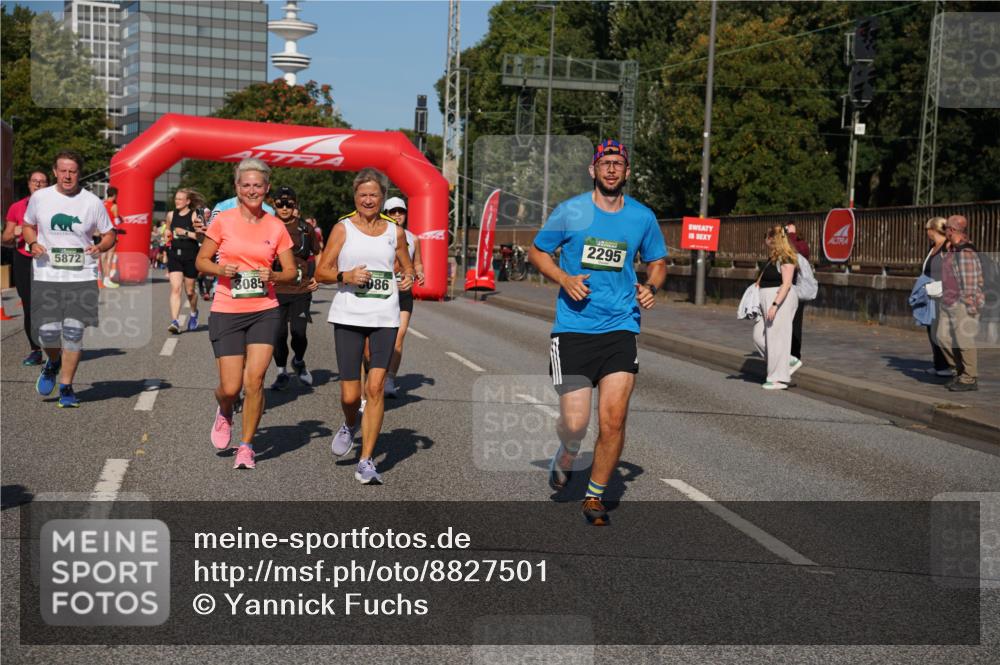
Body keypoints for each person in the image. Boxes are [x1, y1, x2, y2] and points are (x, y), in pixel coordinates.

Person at [527, 139, 667, 526]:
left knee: (614, 420)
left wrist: (651, 286)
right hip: (573, 329)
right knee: (576, 425)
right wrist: (564, 278)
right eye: (605, 163)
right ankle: (567, 452)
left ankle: (594, 495)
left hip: (620, 327)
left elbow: (657, 261)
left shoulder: (642, 217)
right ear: (593, 170)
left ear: (627, 171)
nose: (611, 169)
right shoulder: (570, 211)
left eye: (618, 163)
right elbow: (537, 251)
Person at [195, 158, 297, 469]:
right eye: (246, 185)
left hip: (264, 310)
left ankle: (246, 445)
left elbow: (291, 271)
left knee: (254, 381)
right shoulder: (223, 221)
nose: (252, 190)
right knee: (230, 388)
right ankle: (225, 409)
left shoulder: (276, 226)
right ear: (237, 187)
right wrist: (220, 269)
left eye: (258, 185)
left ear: (267, 188)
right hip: (227, 308)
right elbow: (201, 261)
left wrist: (274, 276)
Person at [315, 168, 415, 485]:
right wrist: (345, 276)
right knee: (350, 395)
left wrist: (409, 277)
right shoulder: (342, 229)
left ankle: (366, 461)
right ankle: (350, 422)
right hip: (349, 316)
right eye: (363, 195)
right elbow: (321, 271)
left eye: (374, 195)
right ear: (355, 197)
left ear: (382, 197)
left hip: (384, 316)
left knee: (375, 388)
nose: (368, 200)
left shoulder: (394, 232)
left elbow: (407, 266)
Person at [21, 150, 116, 407]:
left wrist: (100, 246)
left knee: (73, 332)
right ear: (55, 172)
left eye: (72, 171)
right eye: (62, 171)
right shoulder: (40, 198)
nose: (67, 176)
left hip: (82, 275)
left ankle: (66, 387)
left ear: (79, 173)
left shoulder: (92, 202)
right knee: (47, 334)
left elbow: (110, 234)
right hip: (47, 274)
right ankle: (53, 361)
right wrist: (33, 243)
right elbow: (28, 225)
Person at [269, 186, 320, 391]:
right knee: (278, 334)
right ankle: (281, 373)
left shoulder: (305, 228)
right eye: (280, 204)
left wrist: (317, 276)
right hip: (275, 289)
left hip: (300, 289)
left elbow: (317, 252)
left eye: (289, 204)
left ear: (295, 205)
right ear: (274, 204)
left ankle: (298, 361)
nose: (284, 208)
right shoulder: (266, 225)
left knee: (299, 332)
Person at [2, 170, 50, 365]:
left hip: (48, 259)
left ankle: (56, 347)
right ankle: (35, 350)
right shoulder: (16, 207)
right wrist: (14, 232)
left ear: (48, 185)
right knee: (30, 306)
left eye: (42, 182)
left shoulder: (54, 205)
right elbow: (5, 238)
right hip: (24, 258)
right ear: (29, 184)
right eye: (34, 181)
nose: (38, 184)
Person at [382, 196, 425, 397]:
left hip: (403, 293)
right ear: (385, 214)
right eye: (393, 212)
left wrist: (419, 272)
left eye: (401, 211)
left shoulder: (413, 238)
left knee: (398, 337)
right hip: (381, 294)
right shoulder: (379, 235)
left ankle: (389, 379)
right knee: (377, 340)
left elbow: (417, 263)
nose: (397, 215)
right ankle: (374, 374)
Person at [937, 215, 984, 392]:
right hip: (948, 300)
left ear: (951, 230)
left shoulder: (965, 252)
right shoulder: (953, 249)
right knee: (942, 338)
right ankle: (960, 371)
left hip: (962, 302)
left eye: (946, 228)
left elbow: (970, 283)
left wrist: (969, 306)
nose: (944, 231)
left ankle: (969, 377)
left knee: (964, 341)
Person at [752, 225, 801, 391]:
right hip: (768, 300)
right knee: (758, 336)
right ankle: (787, 361)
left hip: (779, 300)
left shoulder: (786, 257)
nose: (765, 240)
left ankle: (778, 378)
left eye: (767, 237)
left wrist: (774, 305)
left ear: (773, 239)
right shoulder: (773, 257)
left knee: (776, 338)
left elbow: (786, 284)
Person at [165, 188, 207, 334]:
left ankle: (194, 313)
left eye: (180, 199)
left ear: (188, 201)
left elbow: (201, 238)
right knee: (175, 288)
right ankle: (175, 322)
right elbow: (167, 231)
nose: (176, 201)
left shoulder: (194, 215)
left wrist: (185, 232)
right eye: (176, 198)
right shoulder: (171, 215)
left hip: (190, 256)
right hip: (174, 255)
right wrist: (167, 234)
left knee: (190, 292)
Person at [921, 217, 953, 377]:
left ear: (933, 230)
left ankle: (949, 364)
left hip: (942, 293)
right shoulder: (933, 247)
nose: (926, 232)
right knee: (931, 328)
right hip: (931, 292)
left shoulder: (947, 247)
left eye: (927, 229)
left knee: (941, 330)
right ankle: (939, 364)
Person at [785, 222, 809, 363]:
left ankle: (791, 353)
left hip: (793, 289)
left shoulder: (796, 244)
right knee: (792, 323)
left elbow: (792, 251)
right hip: (793, 288)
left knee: (791, 322)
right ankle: (791, 352)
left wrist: (791, 235)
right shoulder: (800, 244)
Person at [100, 186, 121, 288]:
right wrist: (120, 219)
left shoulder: (102, 204)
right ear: (115, 195)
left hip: (103, 232)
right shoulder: (114, 206)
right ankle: (107, 279)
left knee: (103, 255)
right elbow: (117, 221)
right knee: (110, 256)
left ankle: (103, 277)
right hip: (112, 232)